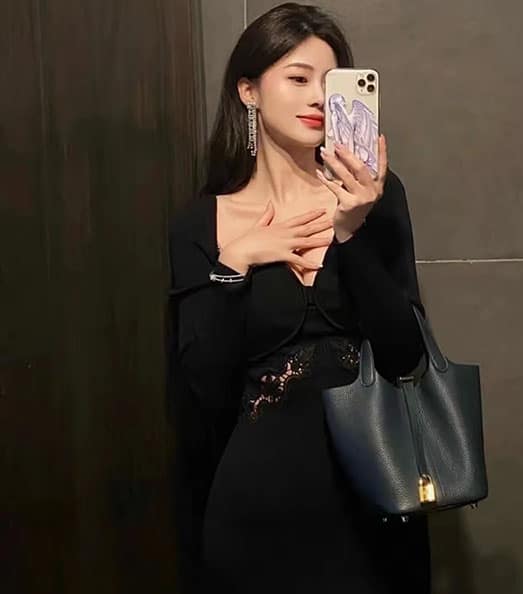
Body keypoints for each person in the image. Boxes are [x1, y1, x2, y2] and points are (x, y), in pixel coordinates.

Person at [166, 3, 431, 593]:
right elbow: (202, 390)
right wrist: (236, 262)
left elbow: (404, 357)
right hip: (256, 509)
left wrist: (351, 234)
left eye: (329, 81)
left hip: (375, 498)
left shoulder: (375, 198)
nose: (317, 97)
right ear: (249, 91)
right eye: (298, 77)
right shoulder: (199, 224)